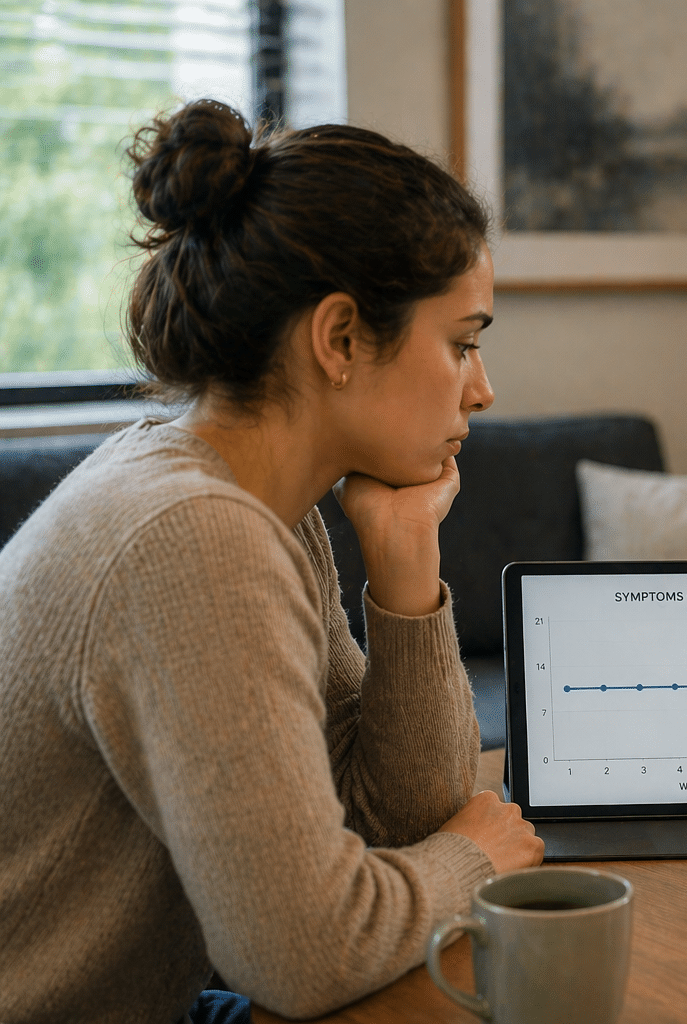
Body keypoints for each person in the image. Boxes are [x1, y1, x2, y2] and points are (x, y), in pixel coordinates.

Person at [0, 101, 544, 1023]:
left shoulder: (252, 504)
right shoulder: (193, 536)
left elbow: (393, 819)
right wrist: (477, 856)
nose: (483, 390)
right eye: (461, 344)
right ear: (339, 339)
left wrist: (405, 557)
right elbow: (304, 954)